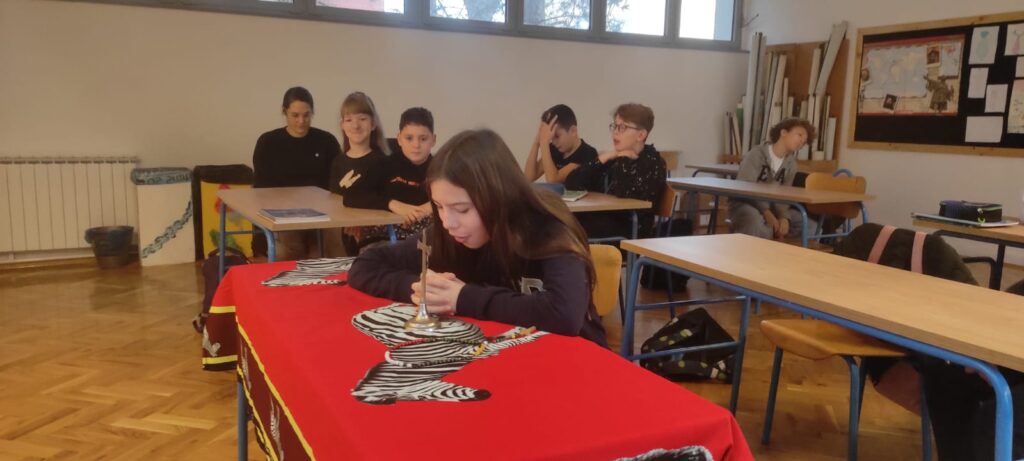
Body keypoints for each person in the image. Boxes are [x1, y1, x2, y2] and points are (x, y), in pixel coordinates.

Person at [348, 129, 608, 347]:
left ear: (499, 198)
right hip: (506, 359)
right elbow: (365, 265)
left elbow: (565, 315)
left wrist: (463, 298)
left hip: (578, 362)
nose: (448, 222)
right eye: (438, 206)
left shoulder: (547, 228)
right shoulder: (447, 234)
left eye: (462, 209)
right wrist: (427, 291)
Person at [252, 86, 342, 260]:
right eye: (295, 115)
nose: (301, 121)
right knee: (288, 251)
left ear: (312, 113)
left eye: (306, 115)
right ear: (284, 112)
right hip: (282, 215)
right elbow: (262, 190)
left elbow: (335, 184)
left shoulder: (327, 141)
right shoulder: (268, 143)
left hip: (321, 214)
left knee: (328, 251)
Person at [571, 103, 667, 240]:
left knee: (568, 228)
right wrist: (603, 158)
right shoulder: (613, 158)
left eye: (622, 127)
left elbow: (624, 193)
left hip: (630, 231)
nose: (615, 132)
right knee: (562, 221)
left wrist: (624, 159)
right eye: (614, 126)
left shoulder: (653, 163)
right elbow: (572, 183)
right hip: (605, 222)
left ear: (641, 135)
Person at [359, 107, 437, 247]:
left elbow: (461, 196)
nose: (416, 145)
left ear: (433, 140)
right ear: (399, 139)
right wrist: (394, 205)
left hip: (426, 240)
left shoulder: (442, 169)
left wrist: (429, 207)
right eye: (409, 138)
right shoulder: (383, 165)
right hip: (382, 237)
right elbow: (354, 195)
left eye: (423, 139)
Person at [729, 118, 815, 240]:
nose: (801, 141)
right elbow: (745, 188)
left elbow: (784, 194)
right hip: (746, 204)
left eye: (804, 140)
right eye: (799, 135)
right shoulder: (756, 154)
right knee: (757, 224)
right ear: (783, 132)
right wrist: (766, 212)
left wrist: (784, 217)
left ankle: (782, 249)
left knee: (810, 226)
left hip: (773, 208)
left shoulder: (791, 164)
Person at [328, 91, 391, 254]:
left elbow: (383, 202)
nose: (355, 126)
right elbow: (335, 201)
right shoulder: (338, 162)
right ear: (342, 125)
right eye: (349, 120)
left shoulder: (382, 162)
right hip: (341, 230)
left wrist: (360, 222)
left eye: (362, 119)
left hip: (373, 233)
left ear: (373, 124)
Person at [522, 104, 600, 191]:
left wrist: (544, 143)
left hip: (586, 199)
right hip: (560, 199)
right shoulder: (554, 149)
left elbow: (553, 181)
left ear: (573, 131)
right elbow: (528, 178)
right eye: (551, 138)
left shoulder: (587, 153)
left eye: (557, 136)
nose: (553, 142)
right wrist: (536, 142)